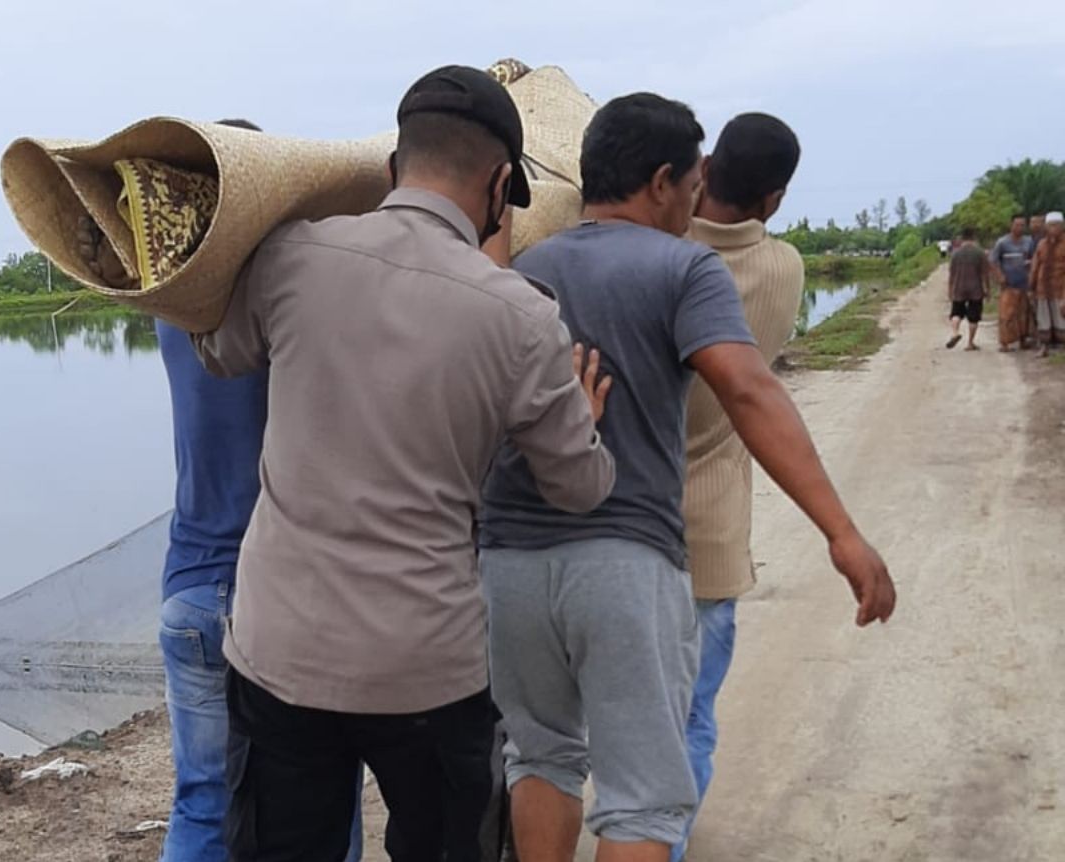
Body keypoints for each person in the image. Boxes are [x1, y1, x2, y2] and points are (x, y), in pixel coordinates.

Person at [192, 66, 617, 862]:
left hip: (281, 652)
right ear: (500, 186)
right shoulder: (522, 316)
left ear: (393, 165)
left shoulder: (292, 257)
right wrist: (583, 423)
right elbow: (578, 488)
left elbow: (219, 352)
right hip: (429, 668)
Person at [480, 93, 896, 862]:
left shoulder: (527, 271)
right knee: (643, 796)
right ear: (664, 180)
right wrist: (841, 533)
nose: (698, 197)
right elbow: (748, 389)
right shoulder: (685, 267)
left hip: (507, 561)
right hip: (623, 557)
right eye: (692, 182)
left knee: (539, 759)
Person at [79, 117, 365, 862]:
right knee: (326, 802)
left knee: (203, 801)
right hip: (288, 598)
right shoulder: (300, 307)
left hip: (191, 596)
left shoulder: (178, 315)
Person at [668, 113, 806, 861]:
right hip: (711, 536)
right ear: (775, 199)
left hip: (616, 521)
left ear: (704, 166)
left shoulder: (654, 250)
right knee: (689, 715)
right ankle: (665, 845)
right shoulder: (783, 268)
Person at [991, 215, 1035, 351]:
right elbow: (993, 261)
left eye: (1022, 225)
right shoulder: (1002, 242)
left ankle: (1023, 340)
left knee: (1023, 314)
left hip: (1025, 283)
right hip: (1008, 284)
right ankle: (1004, 343)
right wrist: (1000, 276)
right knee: (1007, 314)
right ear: (1011, 225)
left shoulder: (1029, 241)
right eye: (1017, 225)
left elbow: (1034, 258)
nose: (1019, 227)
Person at [945, 227, 990, 351]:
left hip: (959, 287)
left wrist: (950, 290)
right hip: (976, 288)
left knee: (956, 313)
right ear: (973, 236)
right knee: (974, 317)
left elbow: (951, 274)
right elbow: (984, 273)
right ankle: (970, 343)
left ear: (962, 238)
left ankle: (955, 333)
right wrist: (987, 289)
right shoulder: (979, 252)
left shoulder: (956, 253)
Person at [1030, 211, 1065, 356]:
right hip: (1042, 289)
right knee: (1043, 319)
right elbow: (1035, 267)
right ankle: (1044, 348)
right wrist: (1031, 287)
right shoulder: (1041, 244)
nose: (1053, 229)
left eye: (1056, 225)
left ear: (1062, 226)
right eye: (1050, 226)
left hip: (1060, 288)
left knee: (1061, 320)